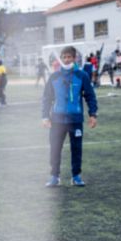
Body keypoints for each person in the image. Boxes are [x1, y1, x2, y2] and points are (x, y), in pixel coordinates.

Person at [42, 46, 98, 188]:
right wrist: (45, 116)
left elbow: (90, 95)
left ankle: (76, 176)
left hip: (75, 120)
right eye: (64, 57)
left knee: (76, 149)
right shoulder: (54, 76)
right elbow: (47, 98)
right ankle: (55, 176)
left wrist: (93, 114)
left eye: (69, 57)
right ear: (61, 59)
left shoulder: (82, 75)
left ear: (74, 58)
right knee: (55, 148)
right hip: (57, 120)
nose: (66, 60)